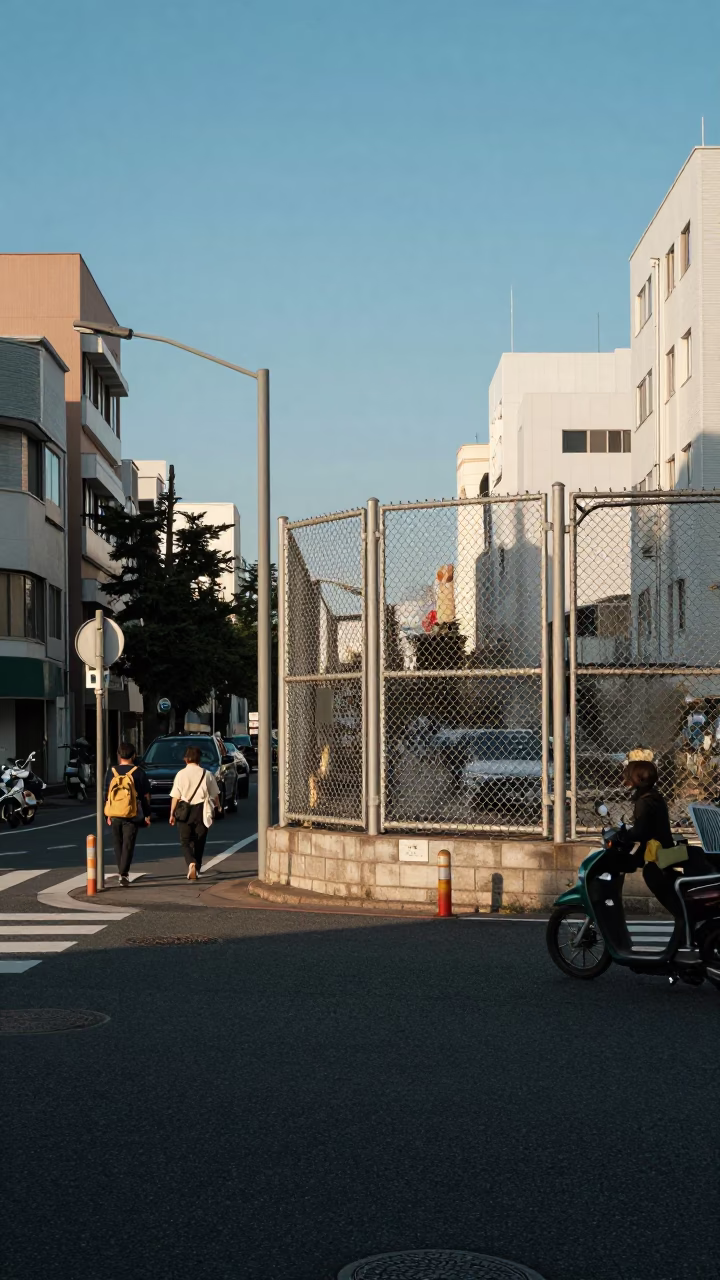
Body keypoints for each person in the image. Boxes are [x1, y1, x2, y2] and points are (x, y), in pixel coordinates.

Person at [617, 759, 713, 920]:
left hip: (659, 856)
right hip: (665, 851)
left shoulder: (644, 801)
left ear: (637, 779)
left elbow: (641, 832)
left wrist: (623, 835)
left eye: (629, 775)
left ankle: (683, 922)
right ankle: (684, 920)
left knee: (652, 875)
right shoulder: (655, 796)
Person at [169, 745, 221, 880]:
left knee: (185, 841)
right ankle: (196, 867)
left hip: (184, 810)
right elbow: (215, 794)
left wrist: (171, 813)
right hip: (201, 810)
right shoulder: (207, 774)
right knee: (199, 841)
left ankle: (190, 862)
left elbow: (176, 796)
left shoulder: (180, 774)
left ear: (186, 759)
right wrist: (218, 807)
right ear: (199, 759)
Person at [104, 742, 151, 888]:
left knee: (117, 844)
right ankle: (123, 874)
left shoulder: (111, 772)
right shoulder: (139, 772)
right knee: (128, 844)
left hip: (115, 812)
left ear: (119, 756)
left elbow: (107, 794)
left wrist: (107, 815)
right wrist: (147, 814)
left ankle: (121, 871)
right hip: (132, 813)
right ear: (134, 755)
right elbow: (145, 796)